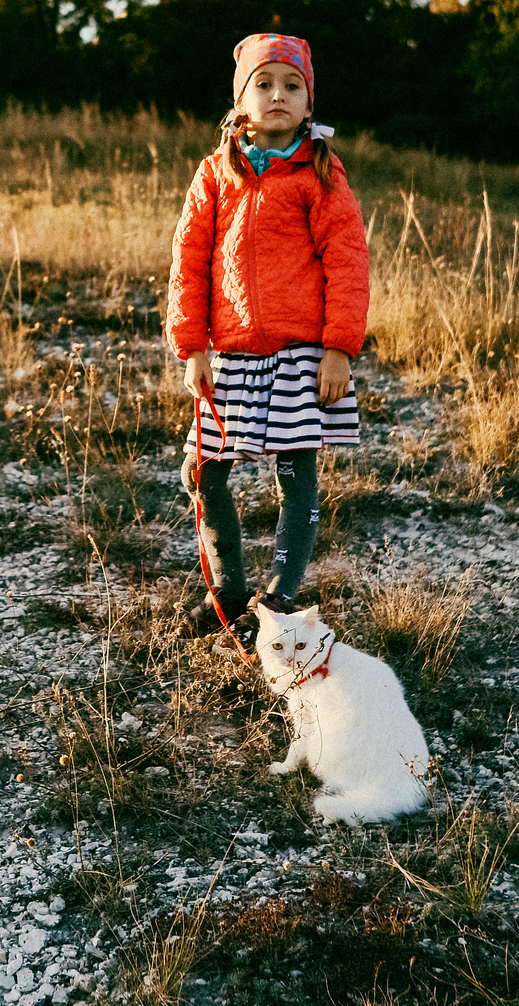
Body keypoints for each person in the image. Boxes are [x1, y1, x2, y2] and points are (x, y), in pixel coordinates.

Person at [165, 32, 370, 642]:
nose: (278, 95)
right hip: (228, 351)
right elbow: (189, 258)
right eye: (264, 83)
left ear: (309, 102)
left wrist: (338, 348)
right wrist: (192, 344)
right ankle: (226, 594)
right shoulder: (215, 174)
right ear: (241, 98)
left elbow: (349, 263)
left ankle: (279, 600)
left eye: (292, 85)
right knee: (203, 471)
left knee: (296, 472)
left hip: (302, 353)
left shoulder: (320, 175)